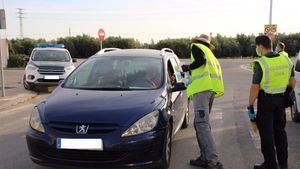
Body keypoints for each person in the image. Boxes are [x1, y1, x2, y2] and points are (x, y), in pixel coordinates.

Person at [248, 35, 296, 169]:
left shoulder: (261, 63)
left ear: (261, 47)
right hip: (281, 101)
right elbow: (293, 81)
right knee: (280, 132)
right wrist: (287, 93)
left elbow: (255, 88)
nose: (257, 49)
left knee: (267, 134)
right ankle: (283, 164)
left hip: (266, 102)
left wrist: (250, 104)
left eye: (257, 47)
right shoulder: (286, 60)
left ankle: (270, 164)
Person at [181, 34, 224, 169]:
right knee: (200, 124)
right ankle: (204, 157)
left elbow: (200, 60)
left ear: (198, 41)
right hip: (210, 91)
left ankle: (213, 161)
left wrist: (188, 67)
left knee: (202, 124)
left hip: (202, 91)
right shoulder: (211, 54)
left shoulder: (196, 47)